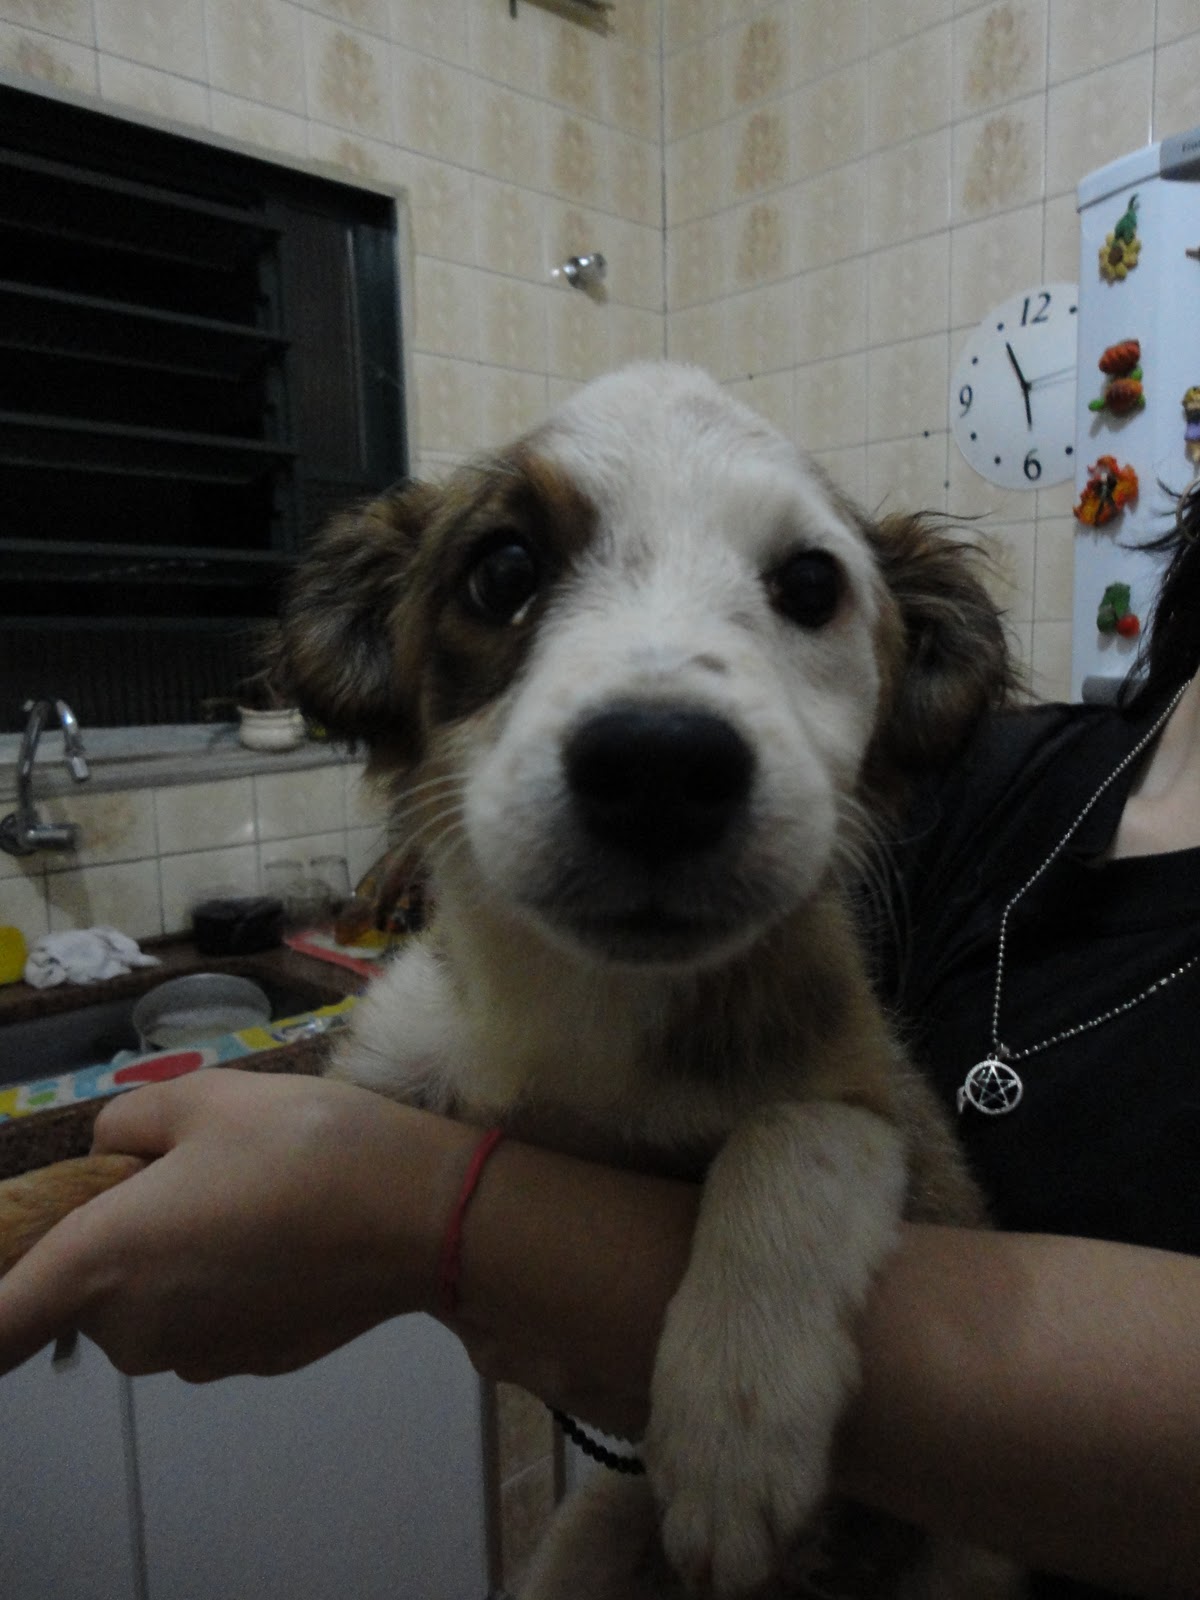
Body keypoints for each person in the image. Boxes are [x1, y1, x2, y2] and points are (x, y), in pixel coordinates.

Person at [4, 492, 1200, 1600]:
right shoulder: (992, 778)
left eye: (803, 593)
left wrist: (419, 1213)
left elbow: (831, 1118)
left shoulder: (903, 759)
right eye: (510, 576)